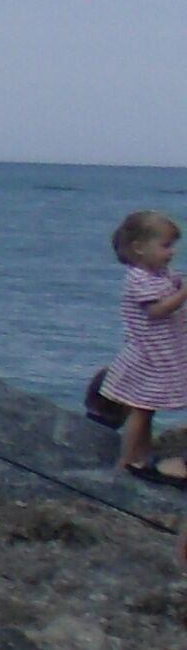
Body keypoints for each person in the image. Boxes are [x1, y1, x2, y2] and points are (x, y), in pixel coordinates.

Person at [108, 209, 187, 487]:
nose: (172, 252)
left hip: (162, 353)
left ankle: (141, 454)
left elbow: (171, 287)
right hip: (149, 357)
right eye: (165, 246)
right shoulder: (138, 279)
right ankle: (126, 459)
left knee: (147, 409)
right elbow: (157, 311)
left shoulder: (159, 274)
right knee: (141, 408)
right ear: (139, 248)